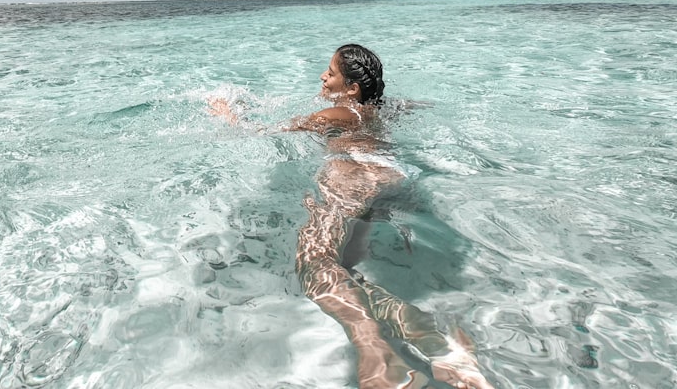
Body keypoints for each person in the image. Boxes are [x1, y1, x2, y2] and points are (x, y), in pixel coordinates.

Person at [211, 44, 494, 389]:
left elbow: (258, 132)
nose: (322, 77)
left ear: (352, 89)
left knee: (314, 265)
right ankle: (431, 336)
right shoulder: (380, 109)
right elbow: (416, 107)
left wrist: (226, 114)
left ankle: (374, 350)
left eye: (330, 73)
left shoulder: (333, 116)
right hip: (393, 177)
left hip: (353, 176)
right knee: (344, 268)